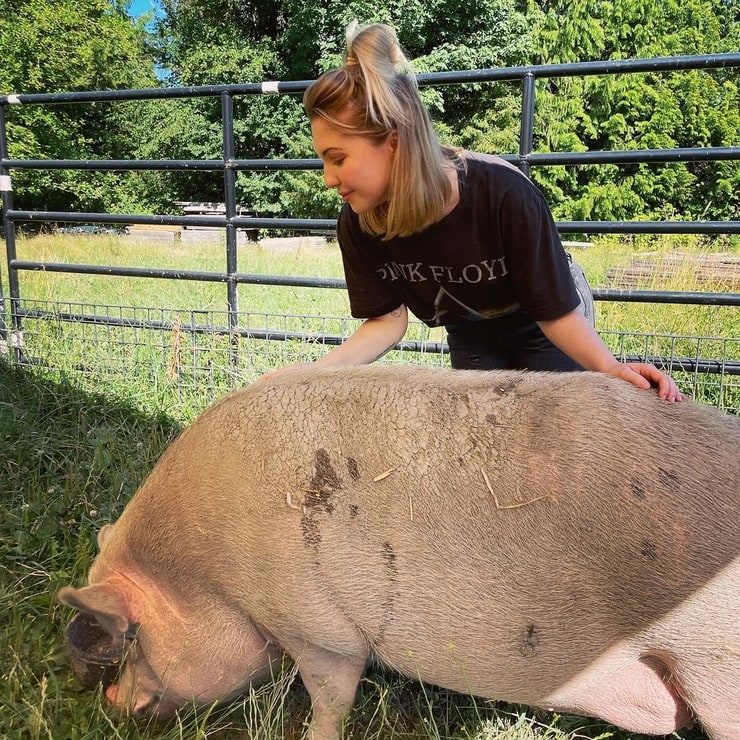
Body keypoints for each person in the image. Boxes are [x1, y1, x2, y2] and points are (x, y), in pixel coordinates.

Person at [293, 22, 682, 401]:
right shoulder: (359, 223)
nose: (328, 179)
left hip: (545, 318)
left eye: (338, 158)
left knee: (549, 442)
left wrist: (610, 368)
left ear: (393, 141)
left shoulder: (504, 194)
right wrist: (311, 374)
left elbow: (554, 310)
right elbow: (387, 322)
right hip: (471, 327)